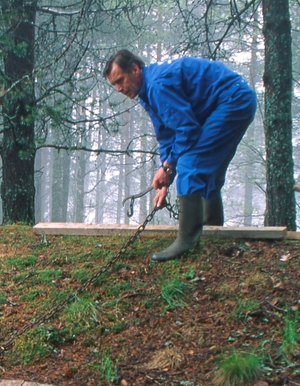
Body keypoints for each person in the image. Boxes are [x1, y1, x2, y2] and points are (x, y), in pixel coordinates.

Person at [104, 49, 257, 261]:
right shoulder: (148, 93)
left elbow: (188, 130)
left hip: (232, 100)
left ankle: (187, 241)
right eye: (114, 85)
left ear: (135, 70)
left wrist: (169, 168)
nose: (119, 89)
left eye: (120, 80)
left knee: (191, 164)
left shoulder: (157, 85)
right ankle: (213, 229)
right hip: (232, 101)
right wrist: (165, 180)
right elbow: (168, 135)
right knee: (205, 169)